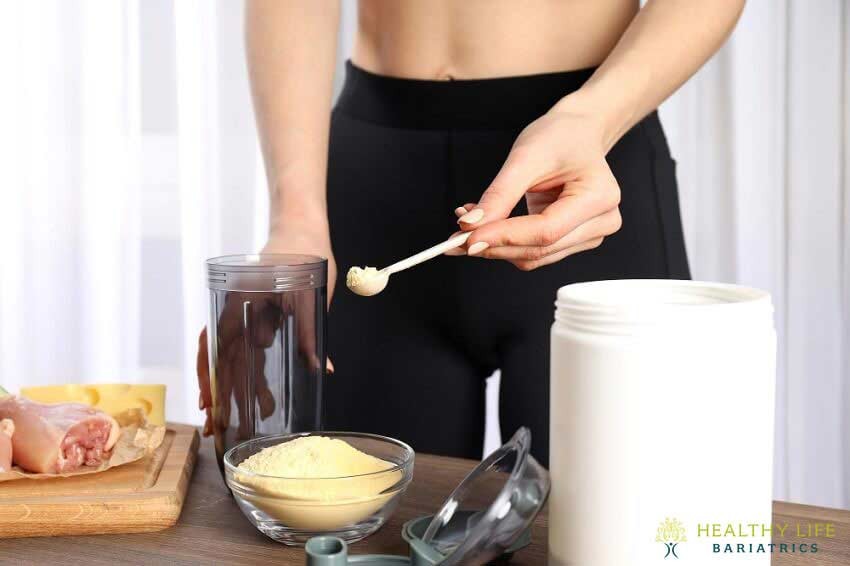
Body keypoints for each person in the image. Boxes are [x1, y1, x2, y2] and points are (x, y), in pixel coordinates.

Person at [198, 0, 745, 466]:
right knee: (362, 534)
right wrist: (296, 219)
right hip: (370, 190)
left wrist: (593, 119)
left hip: (584, 172)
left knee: (620, 533)